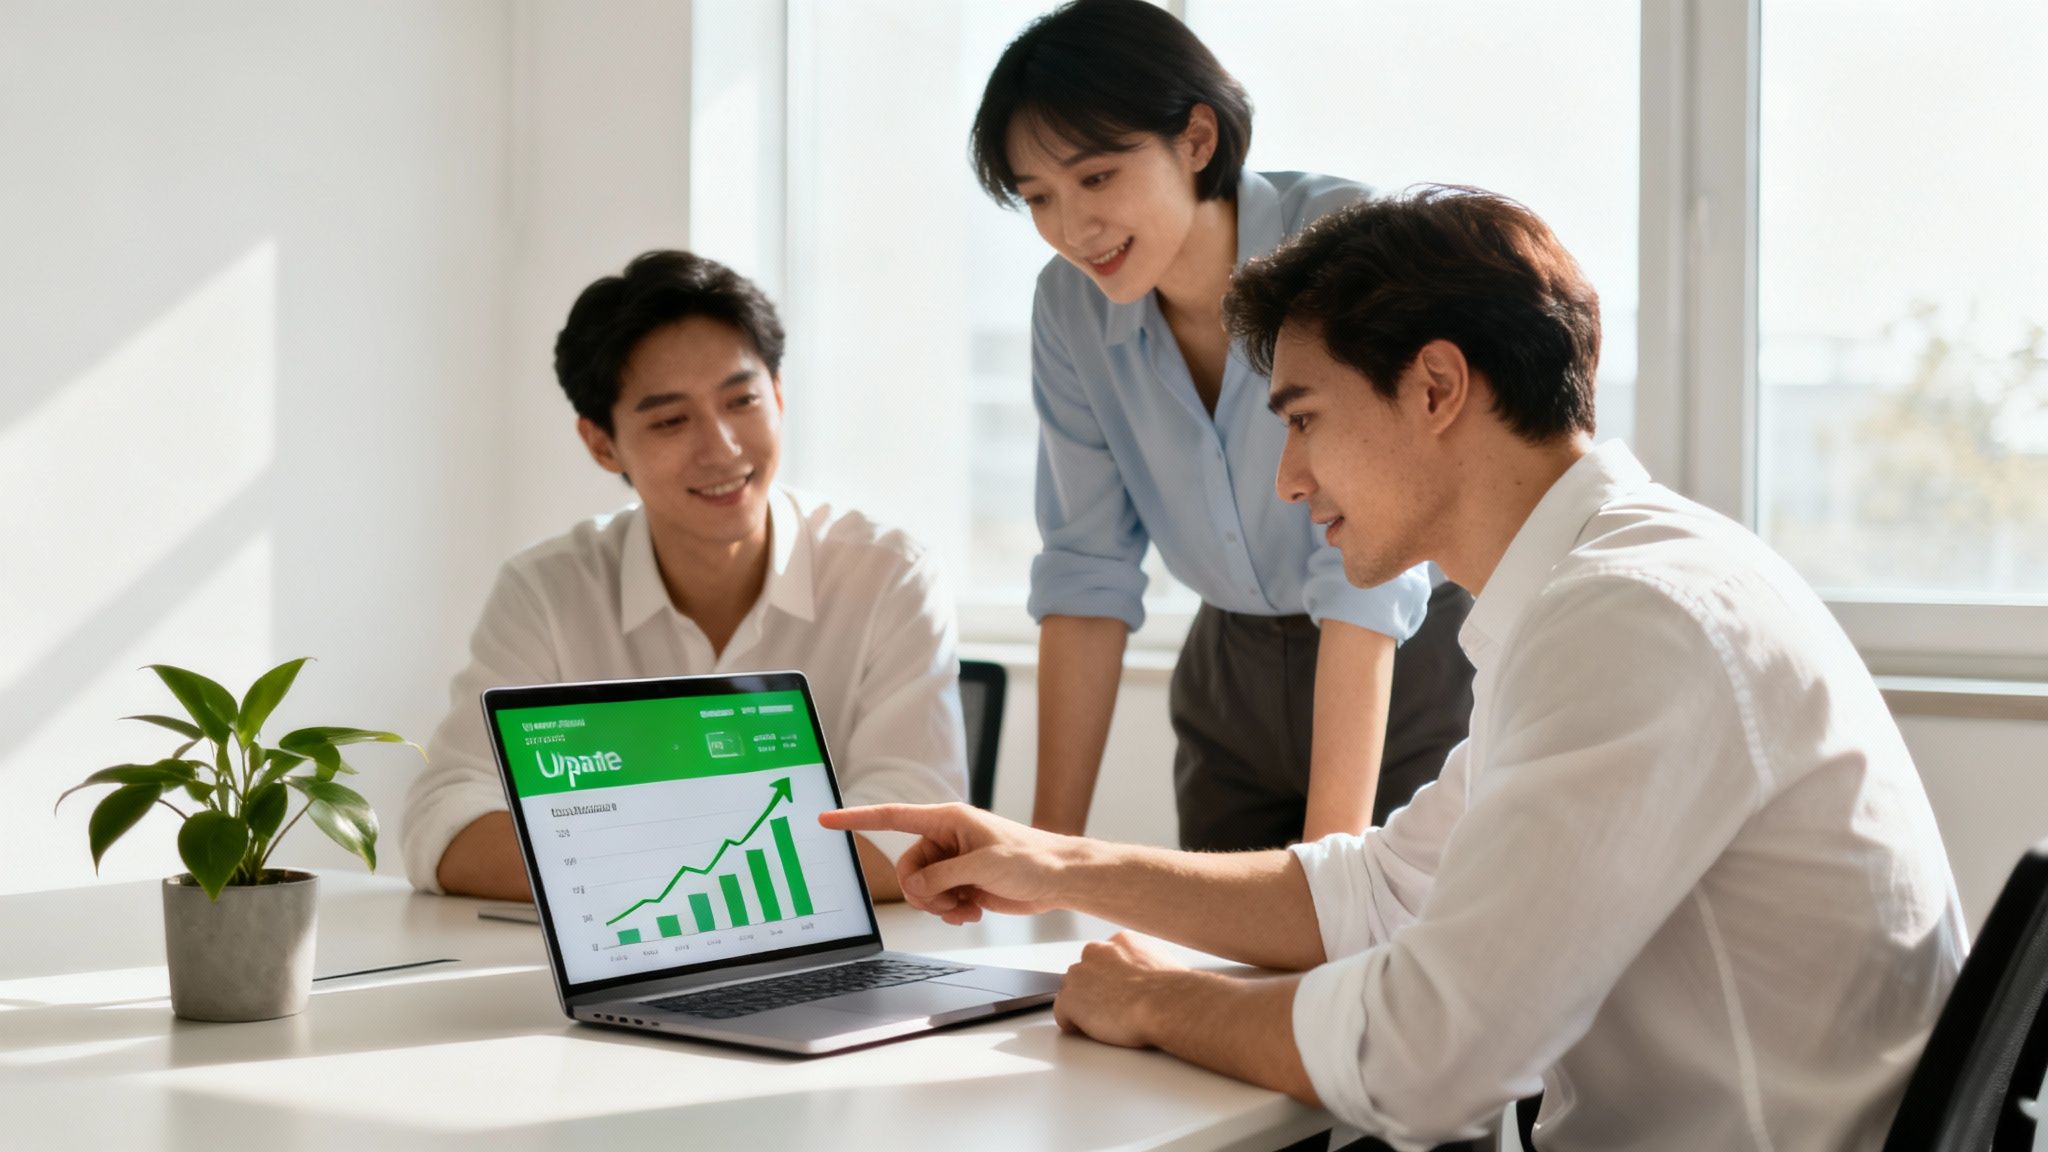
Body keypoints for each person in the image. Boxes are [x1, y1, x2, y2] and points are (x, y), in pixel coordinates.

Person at [821, 188, 1966, 1150]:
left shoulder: (1633, 618)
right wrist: (1052, 861)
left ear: (1432, 387)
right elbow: (1378, 892)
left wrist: (1157, 1002)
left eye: (1304, 417)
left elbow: (1432, 1057)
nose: (1284, 479)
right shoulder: (1609, 588)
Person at [971, 0, 1474, 851]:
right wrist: (1049, 855)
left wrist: (1322, 872)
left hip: (1403, 651)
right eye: (1039, 198)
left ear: (1196, 140)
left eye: (1097, 178)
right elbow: (1086, 569)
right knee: (1219, 970)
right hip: (1230, 671)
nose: (1073, 229)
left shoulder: (1343, 244)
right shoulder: (1069, 308)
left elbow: (1367, 572)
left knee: (1373, 950)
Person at [402, 251, 967, 903]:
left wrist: (616, 868)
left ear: (779, 396)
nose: (722, 447)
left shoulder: (889, 575)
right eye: (671, 420)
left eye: (743, 400)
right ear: (601, 443)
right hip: (622, 962)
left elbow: (910, 832)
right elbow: (444, 821)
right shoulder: (547, 590)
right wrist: (689, 871)